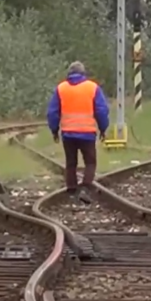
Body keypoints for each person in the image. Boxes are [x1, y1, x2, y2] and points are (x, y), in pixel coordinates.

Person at [46, 62, 109, 201]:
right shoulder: (92, 88)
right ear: (83, 73)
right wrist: (103, 128)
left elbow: (52, 113)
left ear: (69, 74)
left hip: (68, 133)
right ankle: (85, 188)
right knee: (90, 162)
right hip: (87, 133)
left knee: (70, 162)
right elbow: (102, 110)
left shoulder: (61, 88)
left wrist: (54, 130)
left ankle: (71, 189)